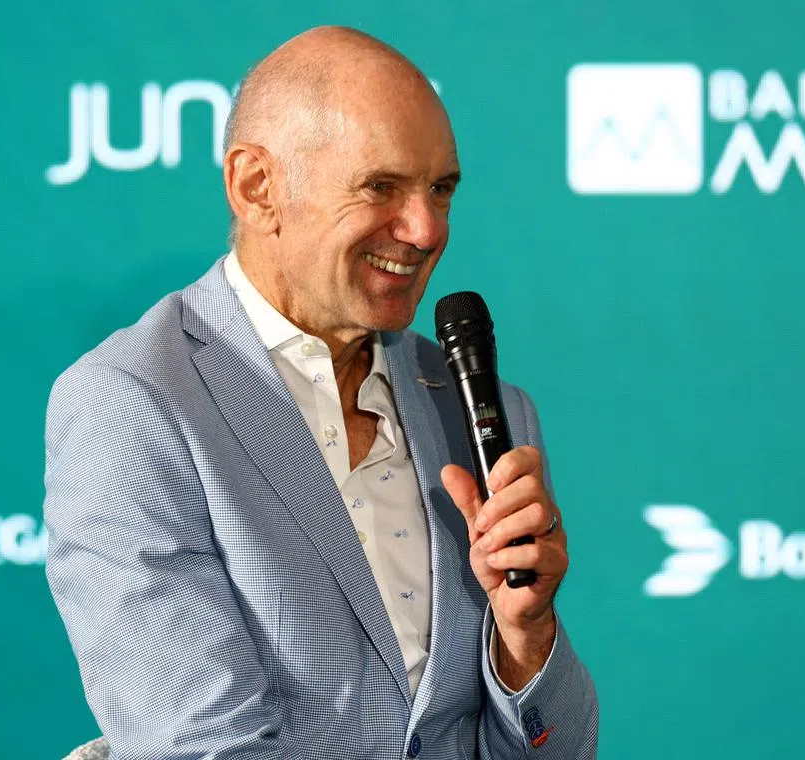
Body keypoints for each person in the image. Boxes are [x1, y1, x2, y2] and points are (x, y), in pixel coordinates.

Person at [44, 26, 598, 759]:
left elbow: (554, 750)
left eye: (441, 189)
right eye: (382, 186)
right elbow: (204, 747)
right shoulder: (133, 405)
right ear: (256, 185)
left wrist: (526, 641)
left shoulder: (482, 409)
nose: (427, 227)